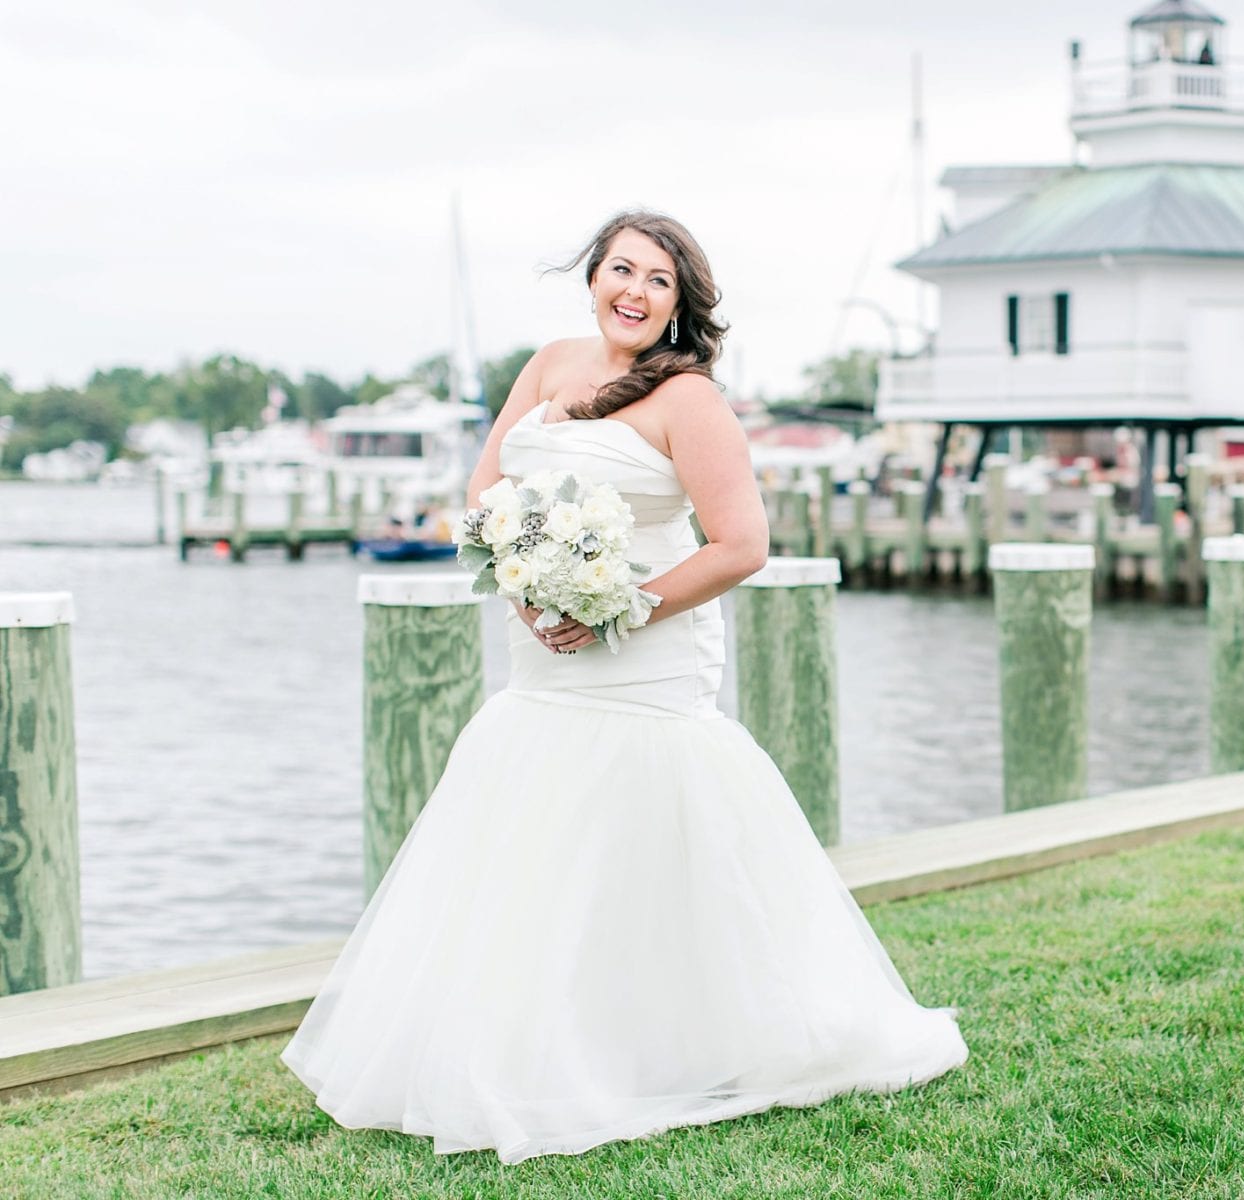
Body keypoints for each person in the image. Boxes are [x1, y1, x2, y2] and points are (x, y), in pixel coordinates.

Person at [281, 211, 968, 1163]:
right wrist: (525, 584)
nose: (634, 293)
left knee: (641, 830)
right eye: (621, 271)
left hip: (646, 652)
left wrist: (624, 607)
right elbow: (486, 497)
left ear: (681, 304)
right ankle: (526, 1047)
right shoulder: (547, 365)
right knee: (533, 838)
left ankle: (685, 1039)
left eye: (657, 281)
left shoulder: (690, 401)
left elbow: (743, 546)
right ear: (593, 276)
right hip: (540, 656)